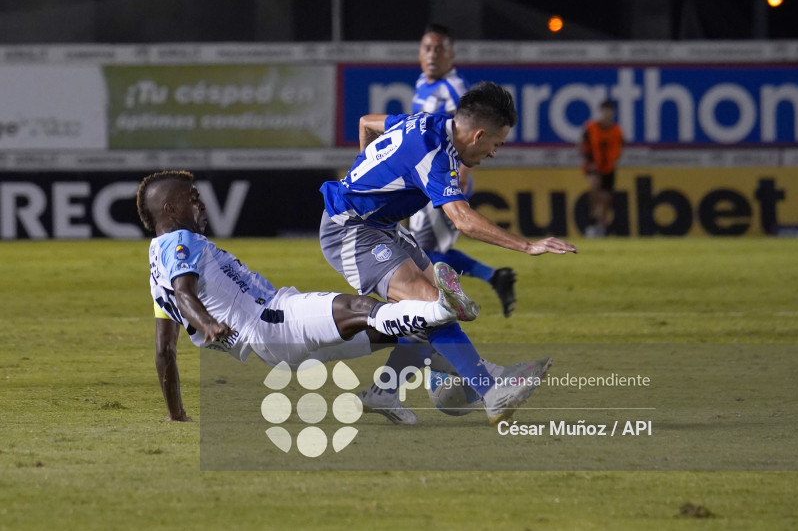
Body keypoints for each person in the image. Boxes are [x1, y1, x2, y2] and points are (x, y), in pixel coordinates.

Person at [319, 82, 577, 425]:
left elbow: (367, 122)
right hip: (350, 231)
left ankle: (385, 391)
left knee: (438, 308)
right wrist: (528, 245)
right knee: (434, 306)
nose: (494, 153)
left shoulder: (433, 123)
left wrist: (366, 166)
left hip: (384, 226)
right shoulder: (434, 154)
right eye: (496, 144)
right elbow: (462, 220)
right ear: (478, 134)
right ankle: (491, 391)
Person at [137, 170, 480, 422]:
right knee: (362, 306)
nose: (200, 201)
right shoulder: (177, 242)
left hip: (275, 348)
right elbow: (185, 295)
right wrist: (208, 323)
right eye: (191, 197)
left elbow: (163, 350)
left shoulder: (158, 271)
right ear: (169, 209)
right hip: (275, 320)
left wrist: (176, 414)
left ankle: (395, 392)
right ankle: (441, 309)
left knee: (405, 330)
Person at [409, 23, 517, 317]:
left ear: (451, 55)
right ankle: (494, 277)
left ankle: (446, 307)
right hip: (426, 178)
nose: (431, 55)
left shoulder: (454, 89)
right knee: (427, 251)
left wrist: (457, 181)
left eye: (439, 50)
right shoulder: (422, 82)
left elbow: (469, 134)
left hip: (443, 178)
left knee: (423, 252)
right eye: (427, 48)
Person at [579, 100, 625, 237]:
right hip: (593, 165)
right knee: (595, 186)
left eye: (609, 112)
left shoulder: (617, 131)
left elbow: (619, 148)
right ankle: (594, 221)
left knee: (605, 198)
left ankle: (599, 223)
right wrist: (589, 162)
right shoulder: (591, 128)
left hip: (609, 168)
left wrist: (613, 161)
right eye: (604, 112)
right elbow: (583, 145)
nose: (606, 115)